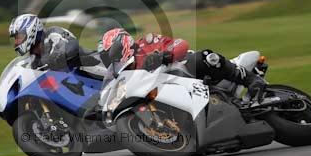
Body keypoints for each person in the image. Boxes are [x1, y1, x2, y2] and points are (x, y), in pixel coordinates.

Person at [99, 28, 266, 101]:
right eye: (106, 57)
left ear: (123, 43)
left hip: (188, 70)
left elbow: (180, 43)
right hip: (171, 92)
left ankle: (252, 80)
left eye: (111, 53)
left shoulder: (146, 42)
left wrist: (164, 55)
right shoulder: (126, 73)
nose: (110, 59)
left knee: (205, 57)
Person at [9, 14, 97, 71]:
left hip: (94, 66)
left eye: (18, 37)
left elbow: (71, 45)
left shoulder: (53, 33)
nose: (16, 42)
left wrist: (54, 58)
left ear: (31, 30)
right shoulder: (34, 58)